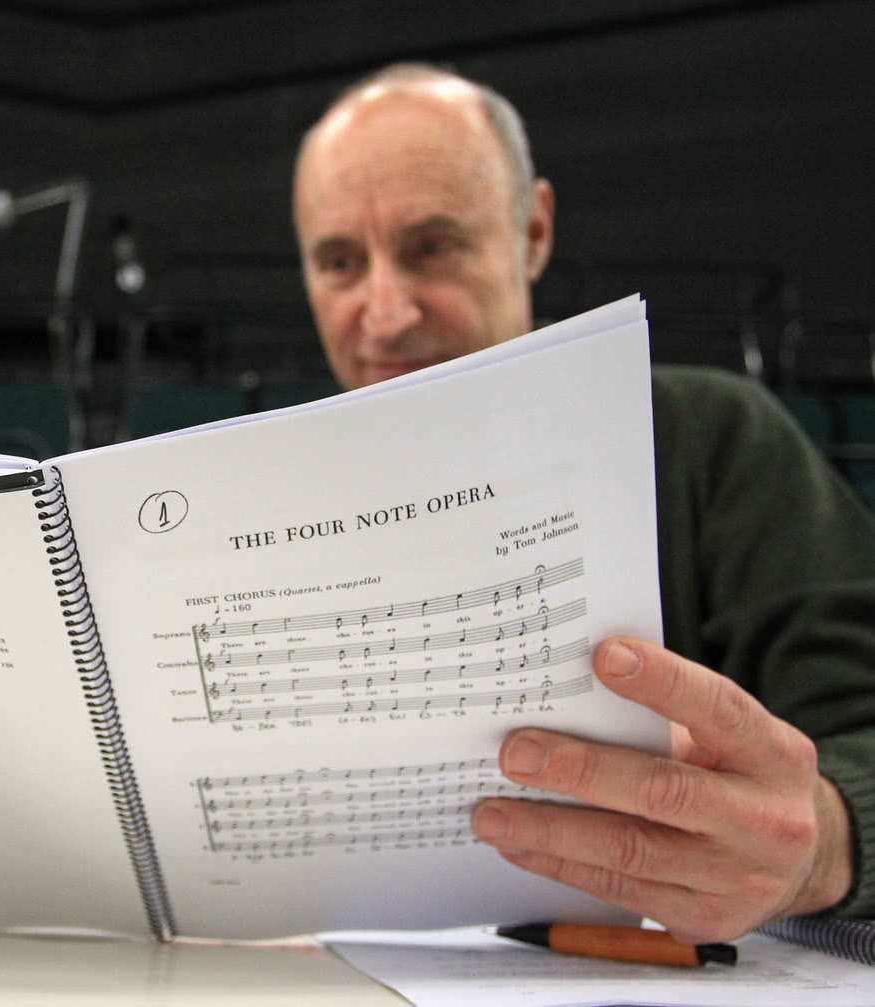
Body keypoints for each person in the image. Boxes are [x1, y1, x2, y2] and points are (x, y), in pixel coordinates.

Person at [292, 63, 875, 942]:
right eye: (339, 262)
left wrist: (825, 839)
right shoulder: (259, 504)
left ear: (532, 232)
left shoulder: (715, 440)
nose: (384, 313)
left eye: (432, 247)